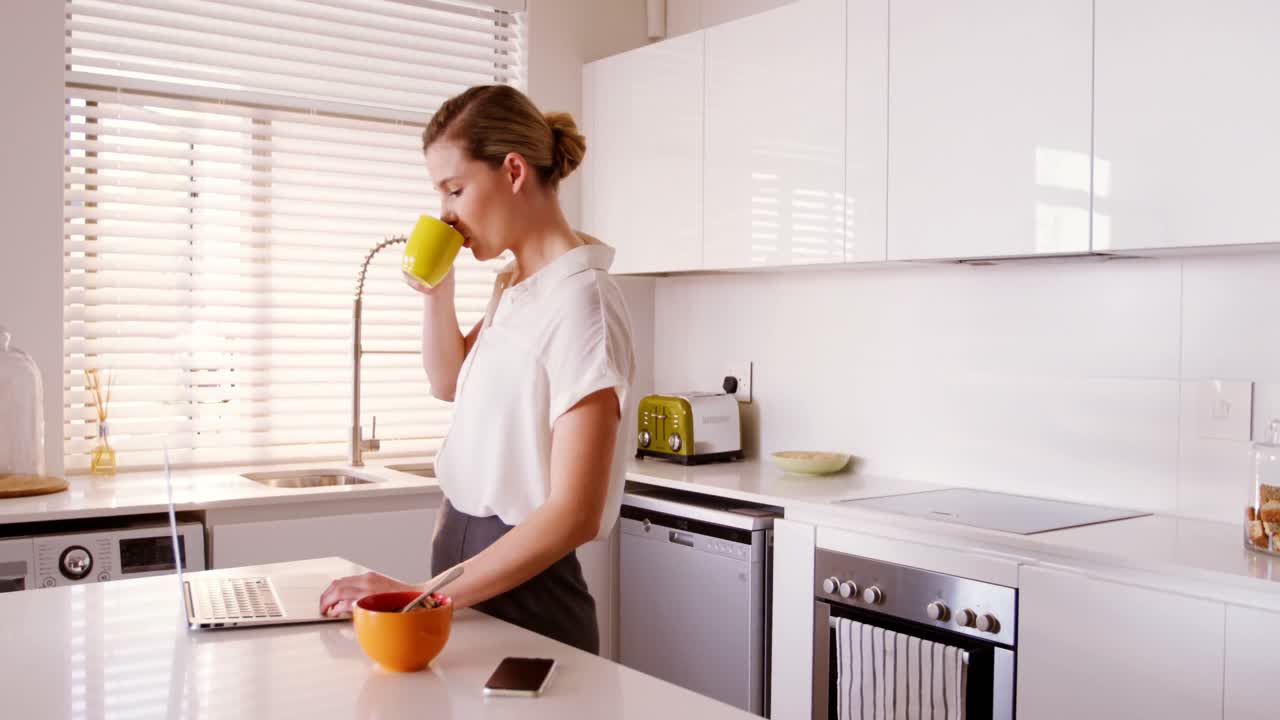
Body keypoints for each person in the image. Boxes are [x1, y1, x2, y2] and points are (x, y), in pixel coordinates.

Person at [319, 85, 636, 655]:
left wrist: (424, 595)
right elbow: (447, 383)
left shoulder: (582, 302)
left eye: (455, 190)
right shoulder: (518, 287)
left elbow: (575, 513)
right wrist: (436, 290)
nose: (446, 214)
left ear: (514, 171)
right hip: (466, 581)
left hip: (529, 600)